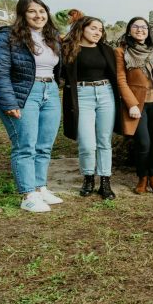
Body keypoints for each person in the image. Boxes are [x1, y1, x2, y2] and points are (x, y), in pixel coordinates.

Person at [0, 0, 63, 212]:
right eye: (32, 11)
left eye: (42, 11)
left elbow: (58, 68)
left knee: (44, 145)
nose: (38, 15)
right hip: (23, 93)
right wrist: (8, 102)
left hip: (49, 92)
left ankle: (40, 188)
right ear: (22, 14)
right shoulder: (6, 37)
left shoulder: (53, 37)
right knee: (25, 146)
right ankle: (27, 195)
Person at [61, 16, 120, 200]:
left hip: (105, 94)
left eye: (100, 30)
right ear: (82, 29)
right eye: (93, 28)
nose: (97, 33)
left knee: (104, 140)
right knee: (87, 143)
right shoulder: (69, 49)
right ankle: (88, 178)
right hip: (82, 95)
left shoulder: (106, 50)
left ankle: (105, 181)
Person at [116, 17, 153, 195]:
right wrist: (131, 104)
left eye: (144, 27)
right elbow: (121, 80)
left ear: (148, 31)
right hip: (138, 105)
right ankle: (142, 178)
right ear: (129, 30)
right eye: (136, 27)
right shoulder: (121, 51)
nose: (140, 30)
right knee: (144, 143)